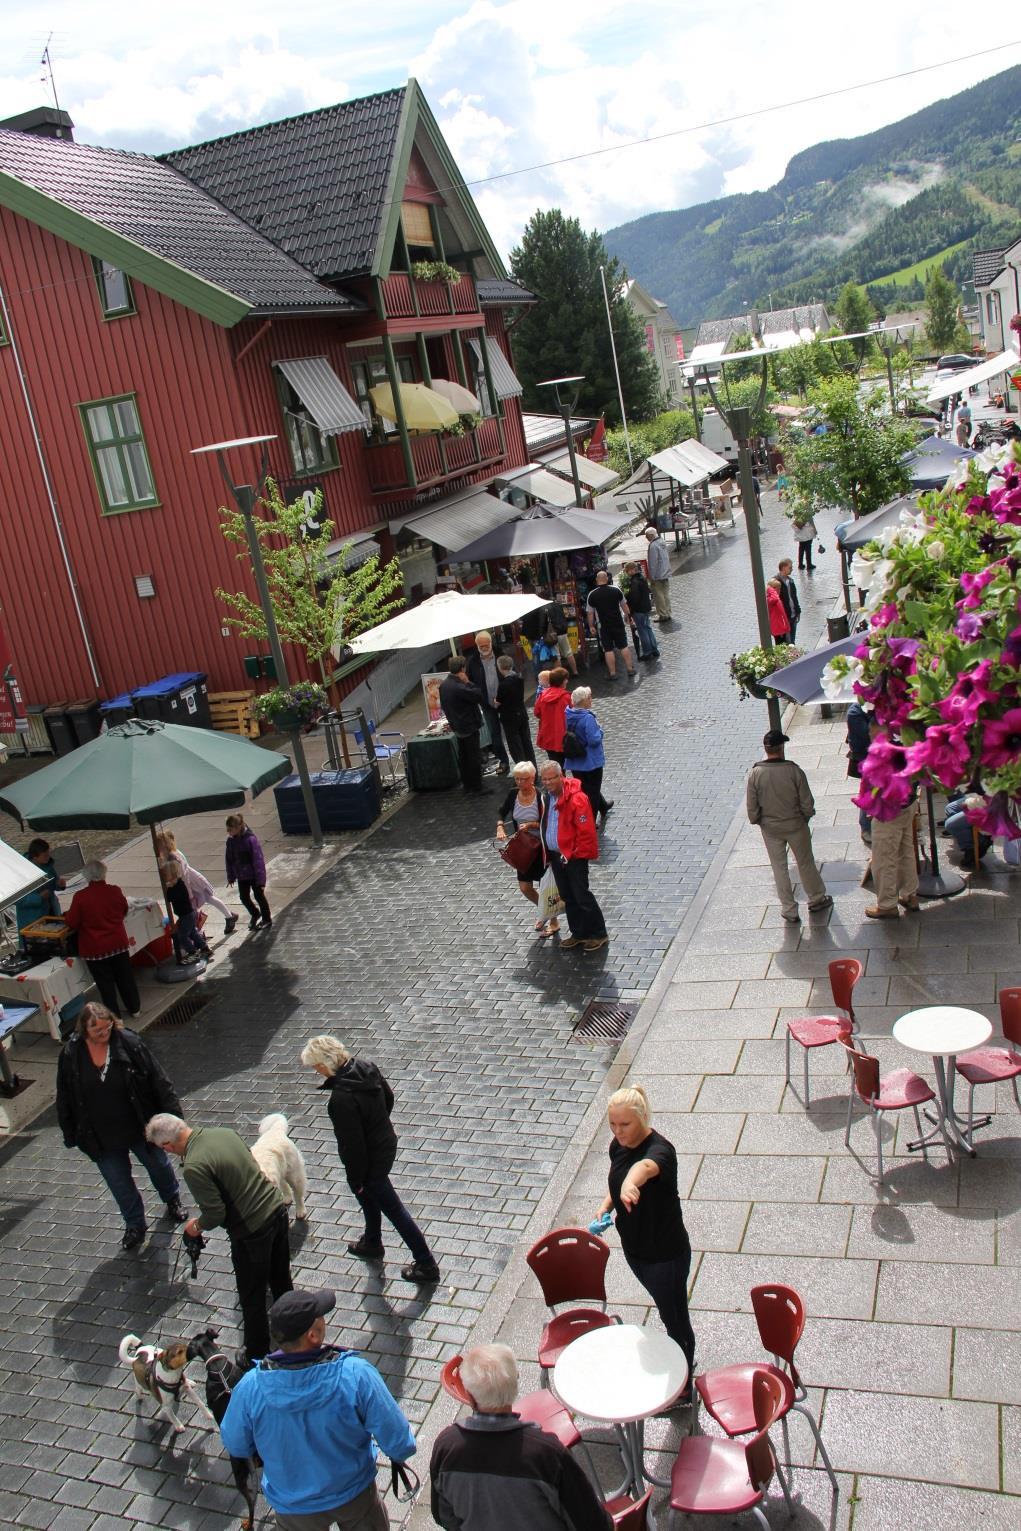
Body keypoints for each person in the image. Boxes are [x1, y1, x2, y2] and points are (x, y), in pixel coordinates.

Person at [220, 1287, 416, 1531]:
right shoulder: (355, 1374)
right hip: (353, 1494)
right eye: (321, 1316)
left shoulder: (250, 1388)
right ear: (312, 1335)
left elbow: (236, 1443)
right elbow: (400, 1441)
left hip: (293, 1506)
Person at [146, 1113, 293, 1365]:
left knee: (252, 1295)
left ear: (167, 1146)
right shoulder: (223, 1133)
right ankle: (294, 1328)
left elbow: (215, 1213)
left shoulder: (194, 1166)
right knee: (281, 1278)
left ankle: (256, 1353)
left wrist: (195, 1227)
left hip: (251, 1231)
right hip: (277, 1210)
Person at [300, 1035, 440, 1284]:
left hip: (369, 1161)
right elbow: (388, 1098)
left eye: (316, 1065)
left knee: (392, 1208)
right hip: (385, 1143)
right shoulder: (366, 1067)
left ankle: (426, 1263)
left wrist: (356, 1178)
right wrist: (378, 1125)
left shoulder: (341, 1100)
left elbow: (353, 1146)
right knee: (368, 1198)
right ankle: (372, 1241)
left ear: (326, 1063)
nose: (315, 1070)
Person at [430, 1342, 612, 1531]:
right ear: (515, 1383)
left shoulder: (446, 1446)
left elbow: (444, 1516)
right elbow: (595, 1524)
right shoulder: (546, 1453)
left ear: (468, 1394)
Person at [56, 1003, 187, 1251]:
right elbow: (65, 1094)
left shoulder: (129, 1042)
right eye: (98, 1031)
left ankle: (172, 1199)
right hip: (100, 1135)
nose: (104, 1034)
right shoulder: (71, 1053)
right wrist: (70, 1131)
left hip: (139, 1124)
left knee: (158, 1165)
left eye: (107, 1028)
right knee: (118, 1182)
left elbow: (158, 1079)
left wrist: (173, 1118)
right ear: (84, 1030)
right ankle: (135, 1224)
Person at [591, 1085, 696, 1380]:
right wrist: (607, 1204)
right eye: (613, 1124)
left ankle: (685, 1381)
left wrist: (630, 1184)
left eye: (625, 1124)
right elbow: (618, 1174)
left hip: (665, 1256)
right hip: (637, 1250)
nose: (618, 1131)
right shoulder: (618, 1145)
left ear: (643, 1118)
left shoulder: (661, 1151)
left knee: (675, 1317)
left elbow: (644, 1168)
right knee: (667, 1308)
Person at [746, 730, 832, 924]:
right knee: (805, 862)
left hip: (770, 826)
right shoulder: (794, 771)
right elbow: (807, 802)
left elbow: (752, 807)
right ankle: (816, 898)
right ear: (782, 747)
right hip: (795, 824)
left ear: (766, 749)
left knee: (779, 867)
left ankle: (789, 909)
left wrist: (759, 820)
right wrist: (805, 817)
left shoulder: (755, 773)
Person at [538, 761, 607, 952]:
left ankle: (598, 933)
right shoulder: (547, 797)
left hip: (573, 857)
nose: (548, 782)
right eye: (545, 779)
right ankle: (579, 933)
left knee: (582, 895)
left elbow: (585, 832)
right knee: (568, 896)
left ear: (561, 777)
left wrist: (575, 854)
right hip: (556, 856)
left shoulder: (577, 799)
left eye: (552, 778)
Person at [65, 860, 141, 1019]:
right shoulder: (114, 891)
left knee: (106, 985)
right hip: (118, 943)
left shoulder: (80, 897)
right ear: (103, 873)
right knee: (125, 978)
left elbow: (72, 922)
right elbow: (124, 910)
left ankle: (115, 1016)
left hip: (95, 949)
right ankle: (135, 1008)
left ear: (87, 877)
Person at [495, 761, 557, 936]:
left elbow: (548, 822)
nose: (519, 783)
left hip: (540, 848)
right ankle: (544, 912)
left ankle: (553, 921)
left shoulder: (541, 796)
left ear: (532, 778)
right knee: (524, 887)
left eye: (523, 779)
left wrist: (531, 824)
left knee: (545, 886)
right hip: (523, 847)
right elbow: (502, 811)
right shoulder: (513, 794)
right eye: (517, 779)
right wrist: (500, 826)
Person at [156, 829, 237, 935]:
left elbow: (183, 876)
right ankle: (228, 916)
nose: (156, 848)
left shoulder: (173, 857)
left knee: (195, 906)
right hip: (191, 882)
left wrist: (188, 894)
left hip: (190, 884)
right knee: (207, 899)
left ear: (164, 845)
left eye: (158, 846)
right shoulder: (174, 853)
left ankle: (201, 932)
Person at [439, 656, 489, 795]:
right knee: (473, 756)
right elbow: (478, 695)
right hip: (468, 726)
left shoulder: (444, 685)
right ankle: (477, 787)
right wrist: (469, 682)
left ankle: (467, 785)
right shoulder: (460, 686)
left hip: (457, 726)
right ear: (462, 668)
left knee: (464, 756)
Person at [865, 797, 920, 919]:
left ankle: (887, 905)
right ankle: (910, 895)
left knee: (884, 857)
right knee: (905, 850)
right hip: (907, 799)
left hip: (888, 805)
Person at [563, 687, 611, 822]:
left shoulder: (567, 714)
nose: (591, 700)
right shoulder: (588, 718)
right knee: (593, 791)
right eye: (589, 697)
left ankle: (603, 806)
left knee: (584, 788)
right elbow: (594, 740)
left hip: (575, 761)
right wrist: (600, 731)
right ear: (583, 701)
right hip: (591, 761)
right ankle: (590, 820)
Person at [465, 630, 510, 772]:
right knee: (494, 734)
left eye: (486, 645)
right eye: (481, 646)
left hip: (505, 702)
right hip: (487, 704)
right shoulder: (473, 661)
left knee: (511, 731)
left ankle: (521, 760)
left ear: (491, 642)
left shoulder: (501, 655)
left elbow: (511, 674)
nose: (484, 648)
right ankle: (504, 761)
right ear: (477, 645)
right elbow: (470, 682)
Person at [586, 569, 635, 680]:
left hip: (603, 626)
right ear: (607, 579)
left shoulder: (592, 595)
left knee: (608, 650)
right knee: (623, 646)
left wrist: (591, 626)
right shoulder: (616, 590)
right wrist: (629, 618)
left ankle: (613, 673)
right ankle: (630, 669)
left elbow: (590, 613)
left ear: (597, 580)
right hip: (618, 623)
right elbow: (624, 606)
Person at [225, 815, 271, 931]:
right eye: (228, 829)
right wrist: (231, 876)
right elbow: (229, 859)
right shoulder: (230, 841)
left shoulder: (250, 840)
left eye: (230, 829)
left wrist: (261, 881)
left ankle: (267, 919)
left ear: (238, 827)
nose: (228, 832)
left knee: (259, 896)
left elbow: (258, 860)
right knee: (244, 897)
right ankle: (255, 913)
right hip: (242, 876)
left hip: (254, 875)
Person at [14, 836, 64, 941]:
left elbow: (53, 883)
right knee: (38, 948)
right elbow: (18, 899)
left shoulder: (47, 865)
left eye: (48, 853)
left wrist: (59, 885)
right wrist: (39, 898)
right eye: (45, 855)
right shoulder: (21, 872)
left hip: (50, 913)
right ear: (35, 857)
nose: (48, 857)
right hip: (32, 919)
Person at [163, 860, 211, 965]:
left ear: (171, 875)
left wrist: (168, 889)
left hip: (186, 915)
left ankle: (192, 952)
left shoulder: (177, 886)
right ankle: (204, 948)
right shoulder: (179, 884)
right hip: (188, 914)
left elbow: (171, 897)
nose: (165, 877)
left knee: (182, 936)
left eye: (166, 874)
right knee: (193, 932)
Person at [495, 655, 535, 766]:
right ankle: (533, 771)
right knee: (527, 744)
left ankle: (523, 773)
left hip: (510, 718)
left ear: (500, 667)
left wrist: (495, 701)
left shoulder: (503, 685)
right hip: (521, 714)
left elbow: (498, 701)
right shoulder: (519, 679)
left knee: (516, 747)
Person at [533, 666, 571, 765]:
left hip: (548, 736)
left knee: (555, 765)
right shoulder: (566, 697)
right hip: (563, 738)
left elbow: (537, 713)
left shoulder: (542, 696)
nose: (567, 681)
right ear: (562, 681)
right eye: (566, 679)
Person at [622, 561, 659, 660]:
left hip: (638, 610)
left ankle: (647, 652)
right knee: (647, 628)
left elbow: (635, 598)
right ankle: (654, 649)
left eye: (627, 571)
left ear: (631, 570)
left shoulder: (634, 582)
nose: (627, 573)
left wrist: (630, 609)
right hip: (645, 608)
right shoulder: (642, 578)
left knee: (642, 630)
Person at [539, 592, 577, 676]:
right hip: (563, 631)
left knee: (557, 656)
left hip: (553, 634)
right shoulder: (558, 605)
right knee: (569, 652)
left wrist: (542, 634)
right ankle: (575, 672)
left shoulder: (543, 608)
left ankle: (560, 677)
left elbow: (542, 624)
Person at [643, 525, 672, 621]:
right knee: (665, 594)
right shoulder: (662, 542)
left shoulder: (653, 545)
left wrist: (652, 576)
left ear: (651, 535)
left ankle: (662, 614)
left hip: (658, 575)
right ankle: (668, 612)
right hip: (666, 572)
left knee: (658, 595)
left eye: (647, 536)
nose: (646, 538)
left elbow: (653, 563)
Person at [776, 559, 801, 645]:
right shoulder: (776, 582)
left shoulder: (790, 581)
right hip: (784, 617)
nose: (792, 569)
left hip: (793, 615)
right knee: (787, 643)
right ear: (783, 568)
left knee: (792, 642)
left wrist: (798, 611)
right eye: (790, 567)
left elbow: (794, 597)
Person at [766, 577, 791, 642]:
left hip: (782, 627)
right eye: (777, 589)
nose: (779, 591)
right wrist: (770, 589)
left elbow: (783, 614)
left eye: (780, 589)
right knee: (780, 644)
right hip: (777, 629)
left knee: (786, 644)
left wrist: (787, 625)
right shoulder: (770, 600)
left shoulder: (777, 599)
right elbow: (775, 599)